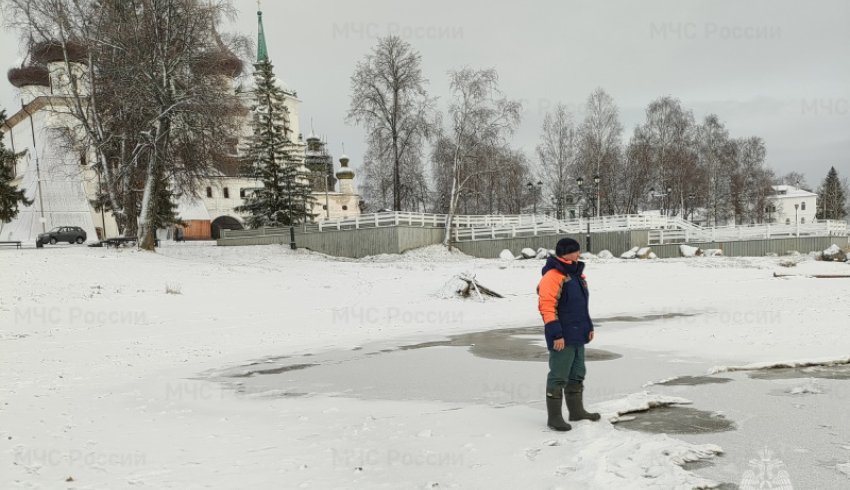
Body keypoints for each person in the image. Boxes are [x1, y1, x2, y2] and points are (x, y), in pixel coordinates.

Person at [537, 237, 601, 431]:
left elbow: (581, 308)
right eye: (574, 251)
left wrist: (587, 328)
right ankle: (554, 418)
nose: (578, 254)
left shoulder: (576, 275)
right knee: (558, 375)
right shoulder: (553, 276)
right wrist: (556, 334)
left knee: (577, 373)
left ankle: (576, 411)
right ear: (564, 253)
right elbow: (546, 307)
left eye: (578, 251)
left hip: (577, 334)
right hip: (561, 335)